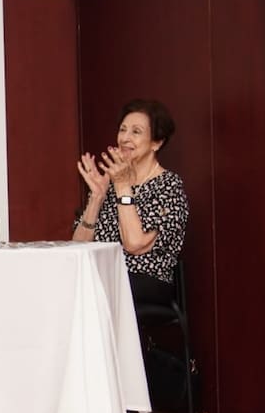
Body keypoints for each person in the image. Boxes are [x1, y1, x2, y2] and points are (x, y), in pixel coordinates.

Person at [73, 98, 189, 306]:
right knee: (65, 283)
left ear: (156, 143)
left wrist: (122, 186)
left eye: (136, 132)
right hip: (103, 277)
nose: (125, 138)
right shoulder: (109, 184)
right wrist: (97, 198)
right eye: (122, 130)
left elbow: (134, 244)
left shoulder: (168, 185)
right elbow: (78, 248)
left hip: (145, 280)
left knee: (91, 292)